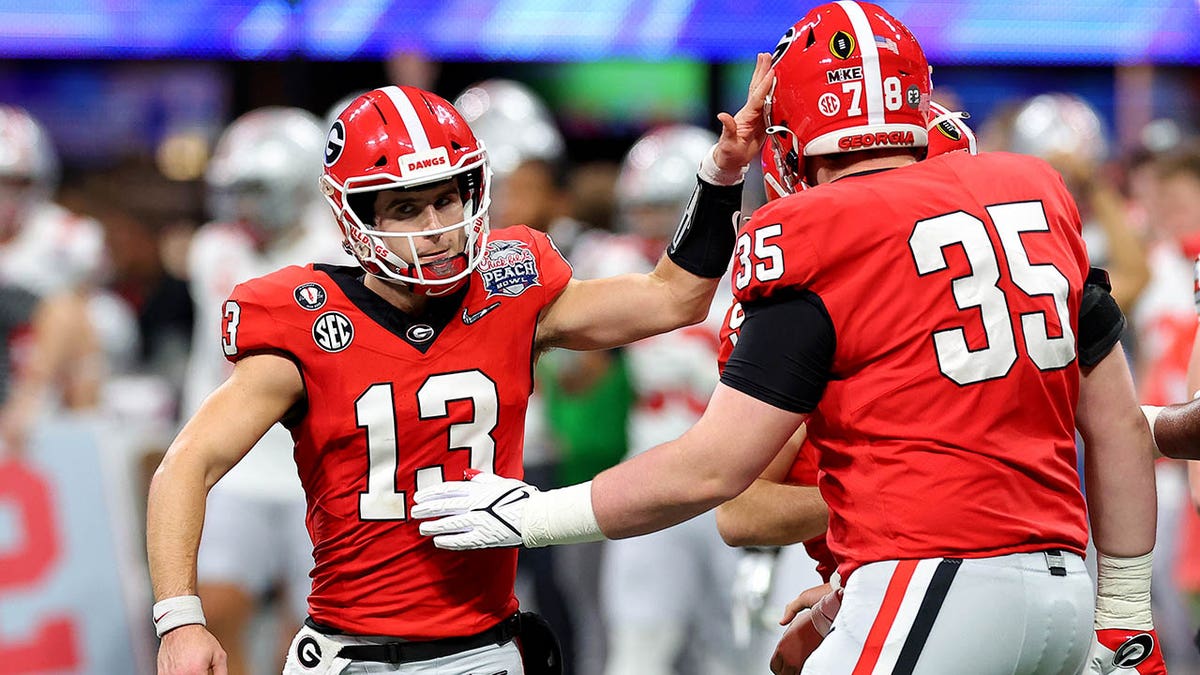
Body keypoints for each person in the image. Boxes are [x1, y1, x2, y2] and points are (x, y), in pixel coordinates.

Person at [411, 4, 1165, 674]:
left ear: (792, 130)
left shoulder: (812, 232)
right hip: (1069, 592)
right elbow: (1121, 428)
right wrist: (1126, 612)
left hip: (933, 580)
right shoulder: (1033, 193)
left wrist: (530, 515)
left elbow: (713, 471)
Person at [148, 58, 774, 675]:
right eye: (405, 208)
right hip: (349, 655)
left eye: (448, 199)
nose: (438, 228)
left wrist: (720, 175)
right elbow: (187, 463)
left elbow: (674, 297)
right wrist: (179, 619)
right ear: (354, 217)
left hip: (485, 650)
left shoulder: (511, 288)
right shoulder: (303, 319)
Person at [181, 106, 346, 675]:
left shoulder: (340, 251)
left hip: (315, 463)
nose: (246, 206)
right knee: (220, 605)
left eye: (258, 190)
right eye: (239, 191)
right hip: (239, 461)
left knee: (312, 629)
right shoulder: (214, 249)